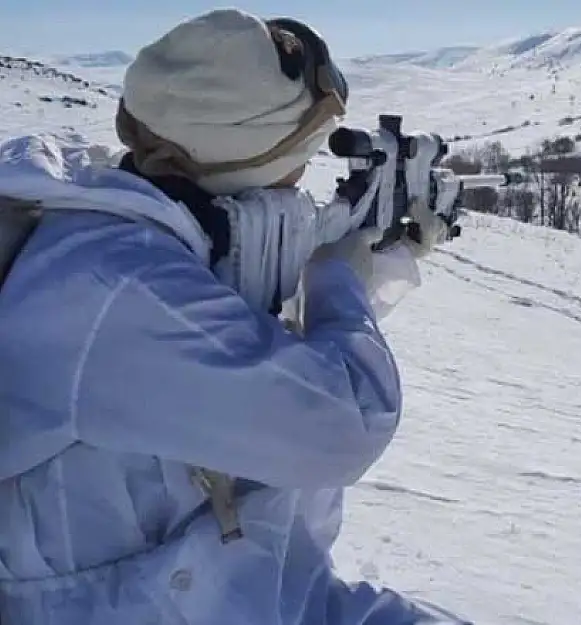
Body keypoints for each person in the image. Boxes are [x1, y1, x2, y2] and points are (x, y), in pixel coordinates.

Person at [0, 8, 469, 625]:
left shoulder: (135, 230)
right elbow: (342, 425)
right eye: (298, 158)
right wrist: (339, 276)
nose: (302, 184)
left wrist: (381, 253)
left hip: (222, 581)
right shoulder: (121, 288)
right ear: (247, 158)